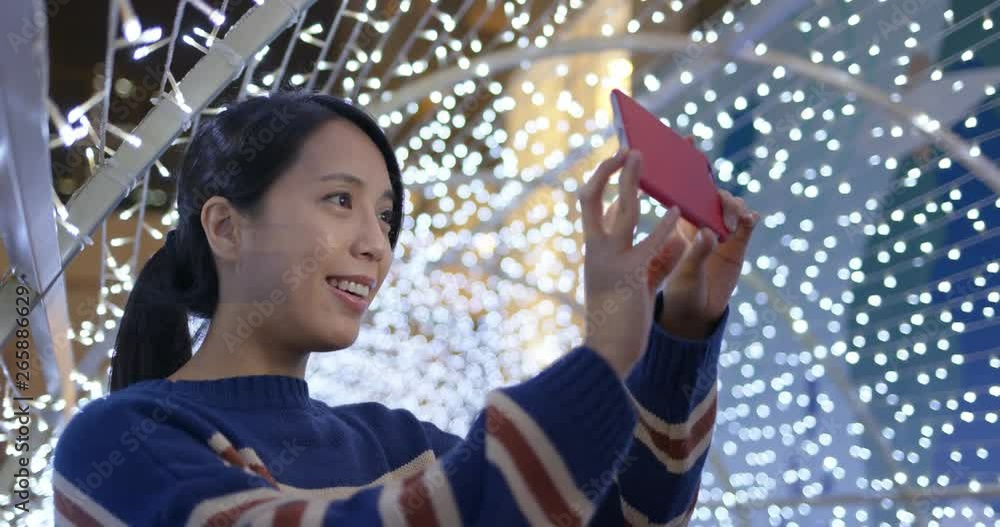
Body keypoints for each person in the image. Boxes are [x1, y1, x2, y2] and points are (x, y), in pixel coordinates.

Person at [52, 92, 758, 526]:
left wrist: (680, 330)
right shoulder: (119, 442)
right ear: (226, 226)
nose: (374, 244)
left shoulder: (399, 444)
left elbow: (620, 519)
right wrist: (600, 353)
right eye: (339, 200)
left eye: (386, 216)